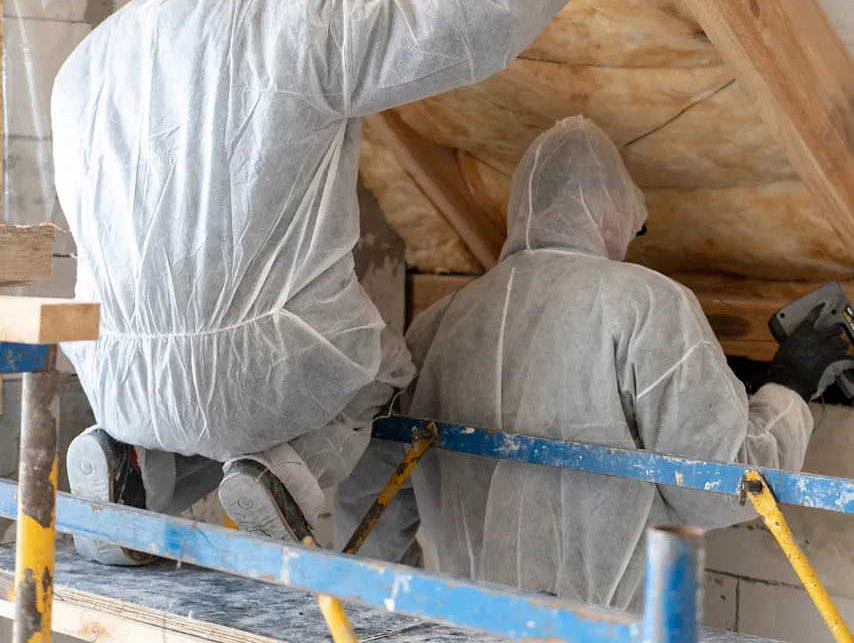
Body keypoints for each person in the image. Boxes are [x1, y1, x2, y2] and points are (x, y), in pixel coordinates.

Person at [52, 0, 598, 564]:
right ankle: (286, 474)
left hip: (115, 375)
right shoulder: (302, 9)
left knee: (197, 407)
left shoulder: (86, 63)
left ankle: (130, 470)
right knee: (378, 378)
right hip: (270, 373)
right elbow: (475, 16)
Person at [335, 116, 851, 609]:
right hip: (596, 632)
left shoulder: (438, 323)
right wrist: (789, 384)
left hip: (465, 627)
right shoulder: (644, 304)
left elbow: (371, 492)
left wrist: (402, 616)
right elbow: (718, 490)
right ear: (611, 210)